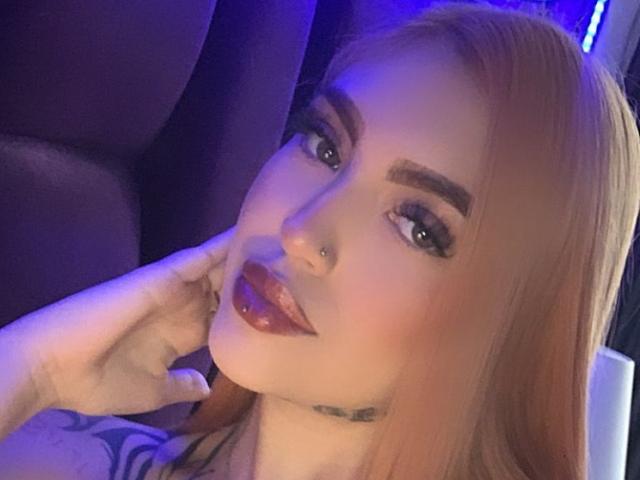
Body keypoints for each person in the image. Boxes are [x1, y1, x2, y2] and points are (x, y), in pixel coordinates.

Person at [0, 2, 639, 479]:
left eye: (418, 225)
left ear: (516, 329)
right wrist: (36, 368)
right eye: (325, 146)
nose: (301, 231)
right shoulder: (51, 451)